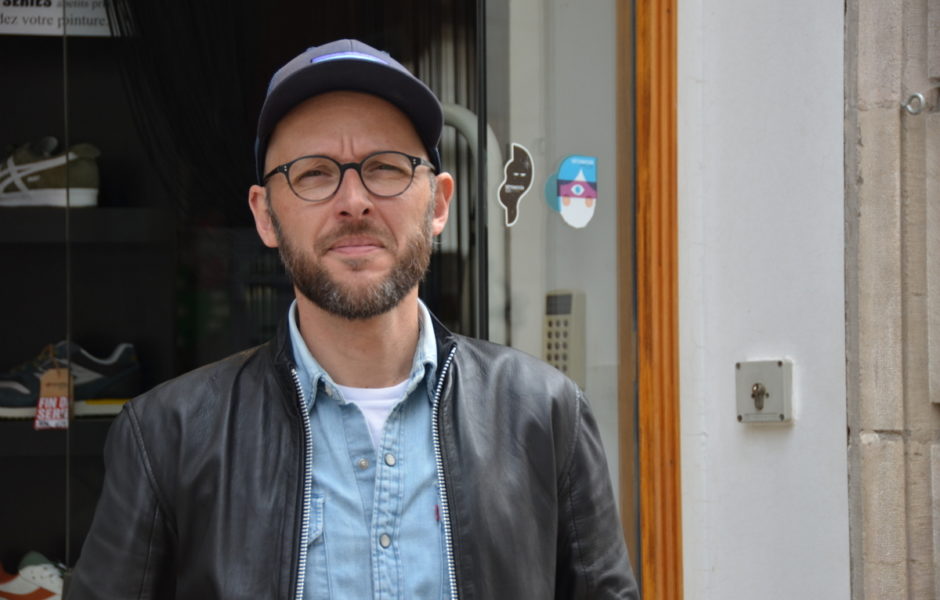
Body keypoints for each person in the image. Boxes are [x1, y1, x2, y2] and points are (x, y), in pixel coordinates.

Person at [69, 39, 639, 599]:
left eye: (385, 168)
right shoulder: (169, 436)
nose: (354, 200)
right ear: (265, 216)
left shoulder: (544, 414)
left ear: (438, 204)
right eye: (314, 173)